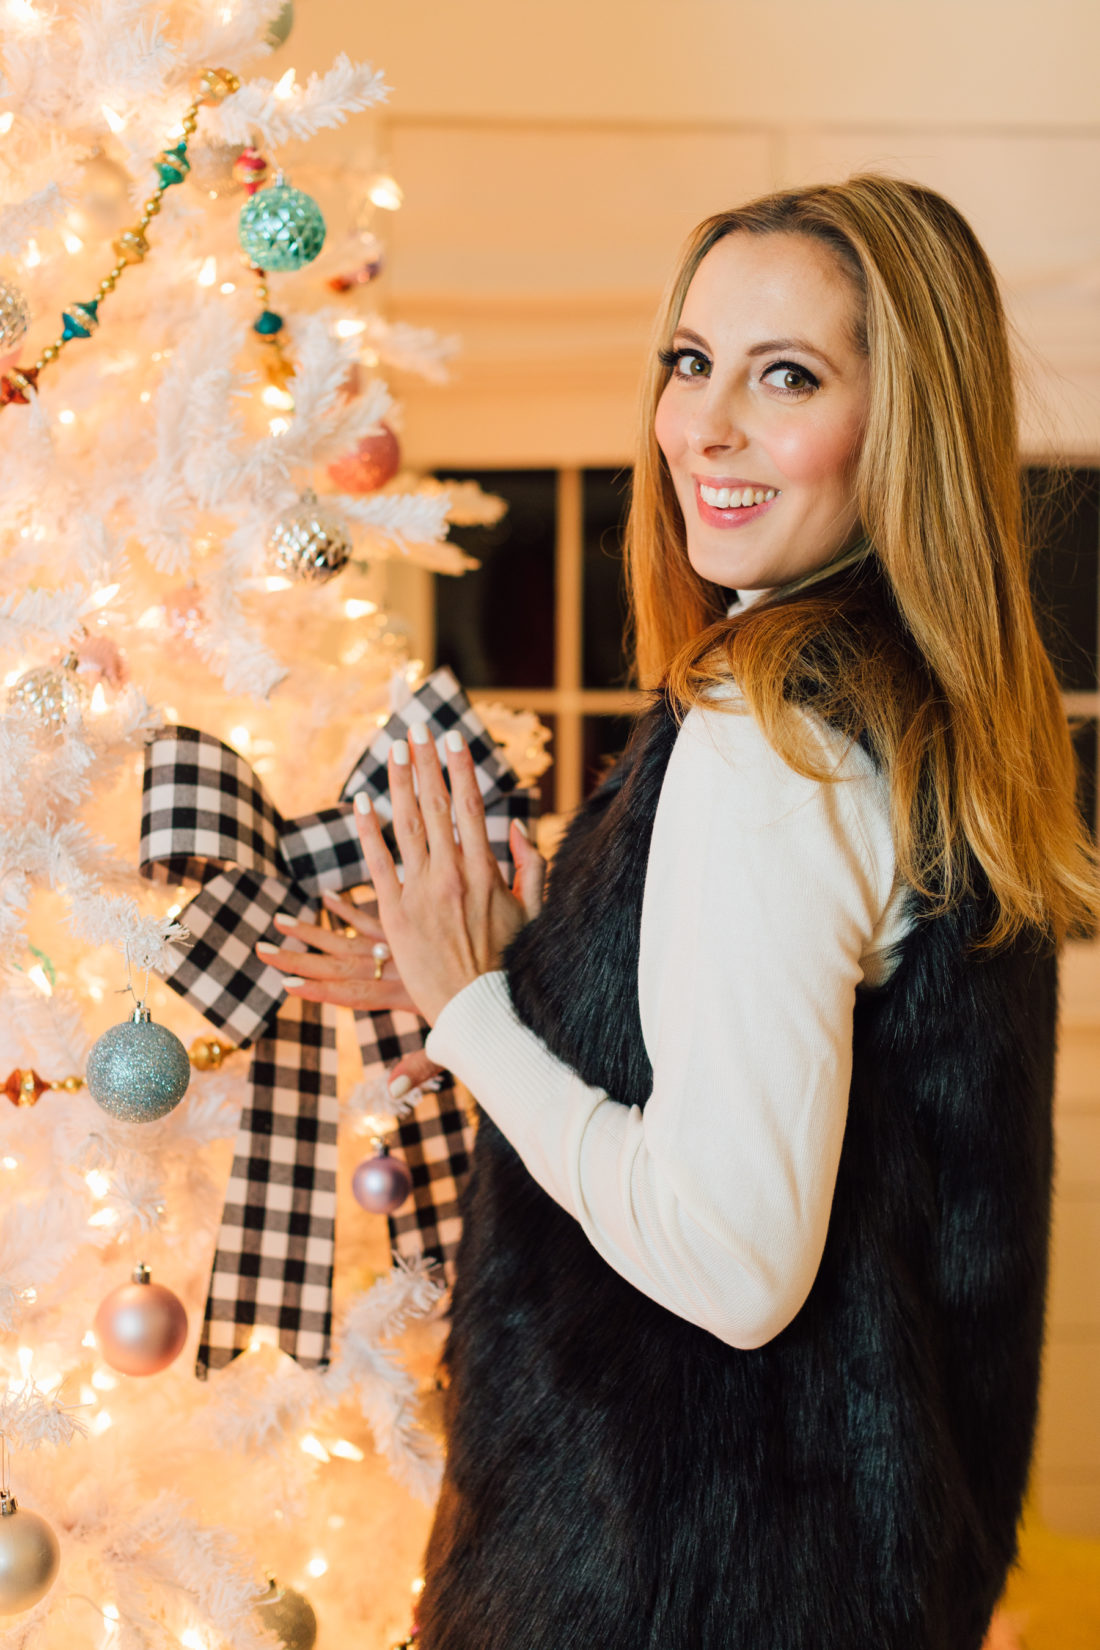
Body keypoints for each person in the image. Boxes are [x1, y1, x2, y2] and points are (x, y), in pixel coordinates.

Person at [258, 176, 1098, 1649]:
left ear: (900, 423)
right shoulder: (921, 704)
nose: (704, 425)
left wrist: (474, 1017)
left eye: (786, 376)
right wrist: (562, 948)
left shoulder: (773, 729)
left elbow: (733, 1260)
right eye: (690, 360)